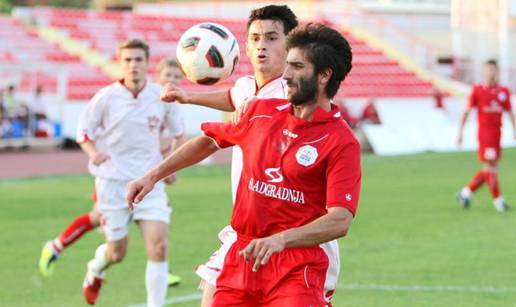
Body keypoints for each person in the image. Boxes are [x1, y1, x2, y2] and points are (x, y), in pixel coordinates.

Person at [128, 23, 360, 306]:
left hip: (297, 266)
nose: (286, 75)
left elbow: (340, 219)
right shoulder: (260, 111)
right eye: (287, 65)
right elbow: (208, 141)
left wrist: (280, 240)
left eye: (297, 67)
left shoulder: (341, 140)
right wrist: (152, 176)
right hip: (243, 253)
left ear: (324, 75)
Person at [38, 57, 185, 289]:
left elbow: (175, 137)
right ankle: (58, 247)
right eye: (168, 76)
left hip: (144, 178)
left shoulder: (166, 105)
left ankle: (158, 268)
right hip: (113, 179)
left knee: (154, 238)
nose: (172, 81)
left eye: (177, 78)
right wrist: (95, 154)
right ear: (156, 75)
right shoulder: (130, 98)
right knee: (100, 221)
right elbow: (88, 132)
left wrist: (168, 164)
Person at [76, 39, 184, 306]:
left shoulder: (160, 96)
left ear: (147, 63)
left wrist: (170, 164)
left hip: (150, 182)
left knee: (158, 247)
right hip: (113, 185)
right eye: (128, 60)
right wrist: (94, 154)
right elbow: (83, 133)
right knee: (117, 253)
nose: (133, 65)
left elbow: (178, 133)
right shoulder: (105, 97)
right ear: (120, 63)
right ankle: (96, 268)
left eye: (138, 60)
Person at [456, 59, 516, 212]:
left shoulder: (503, 92)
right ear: (484, 71)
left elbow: (509, 112)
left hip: (497, 134)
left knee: (490, 168)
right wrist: (460, 132)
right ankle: (498, 202)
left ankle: (466, 193)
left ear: (497, 71)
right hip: (485, 134)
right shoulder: (477, 90)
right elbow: (467, 111)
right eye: (488, 69)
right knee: (491, 167)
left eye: (493, 69)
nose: (490, 72)